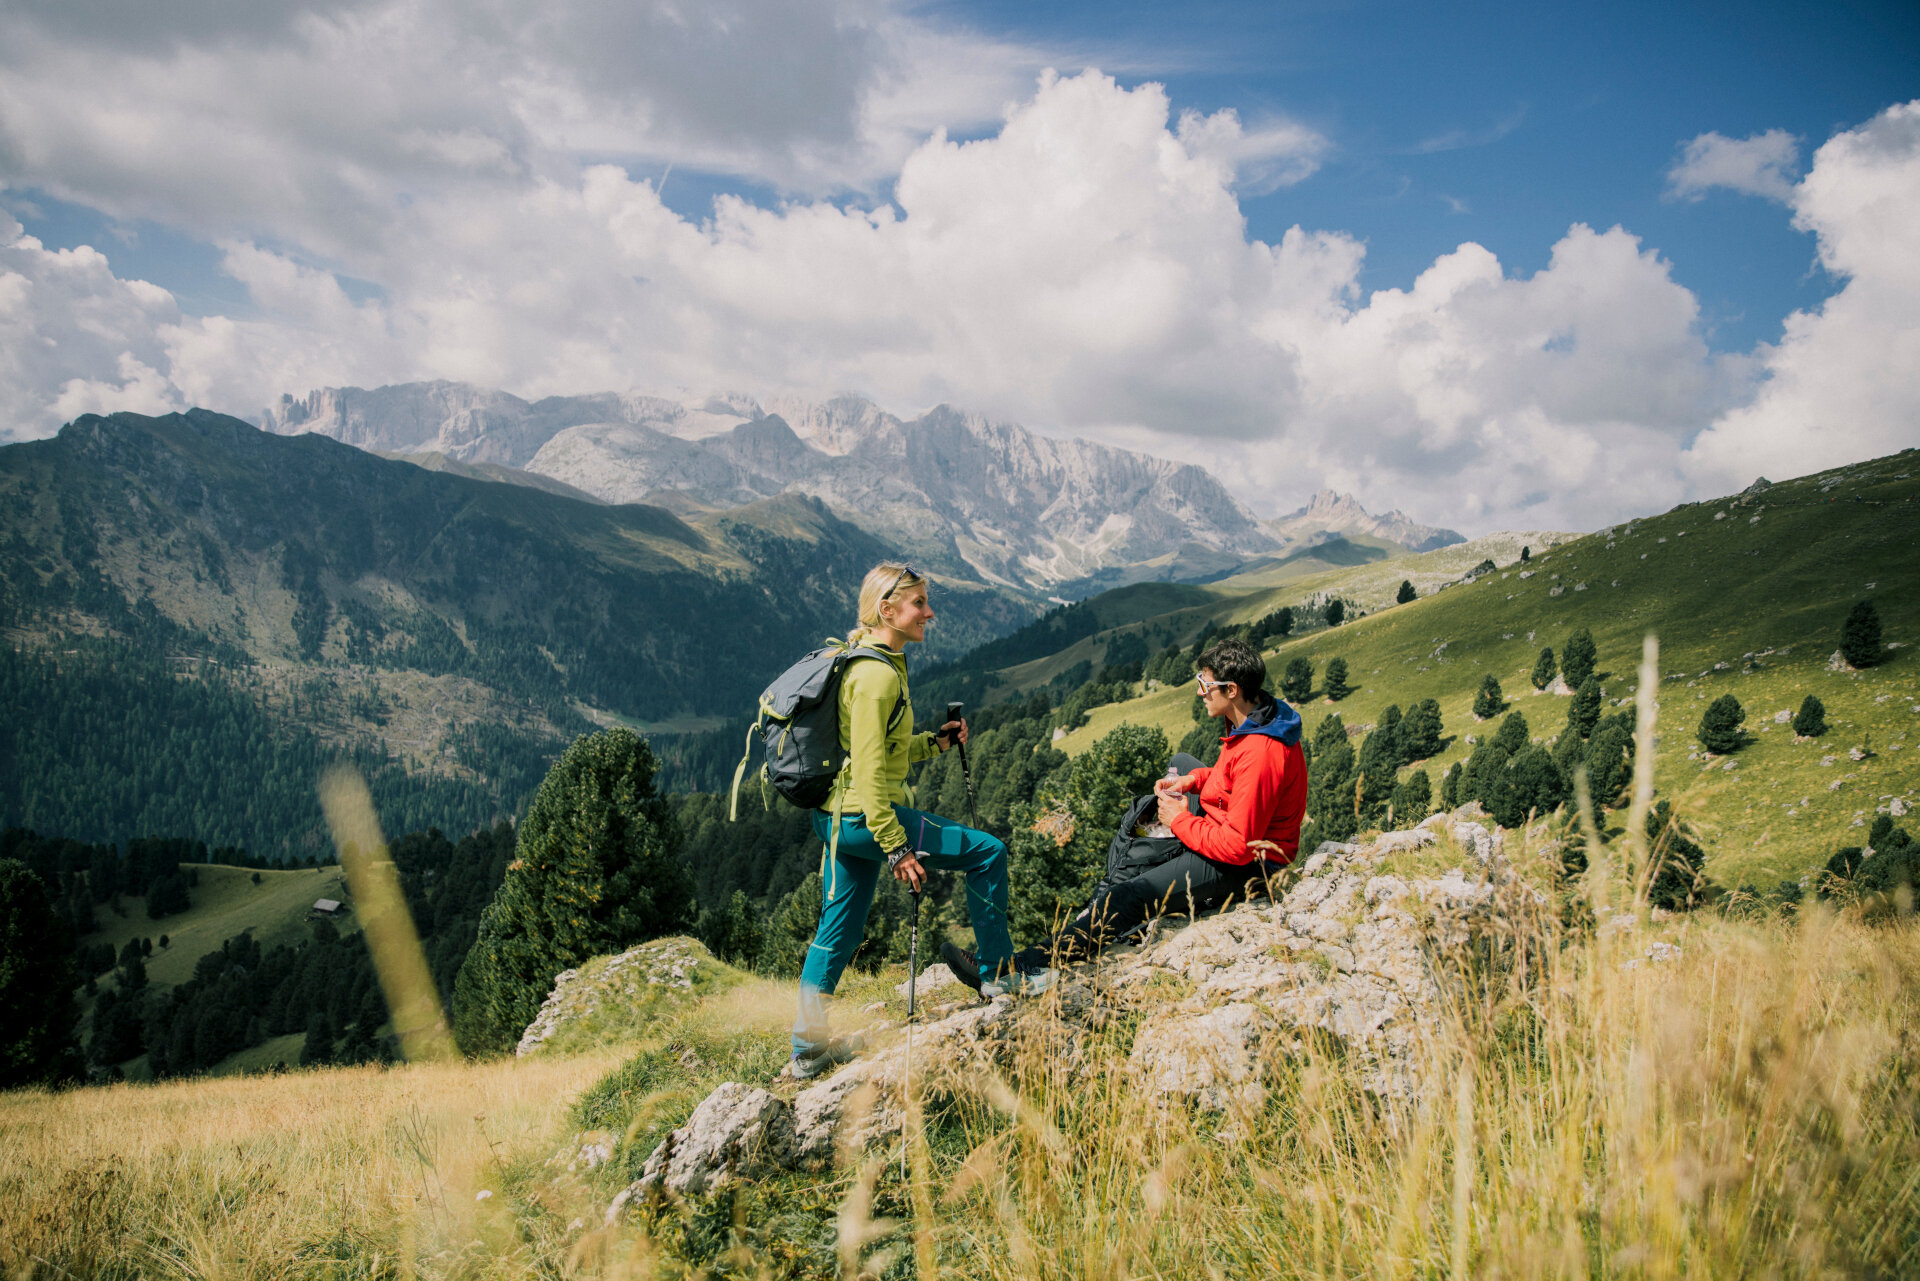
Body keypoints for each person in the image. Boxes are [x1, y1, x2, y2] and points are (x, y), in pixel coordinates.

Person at [791, 561, 1052, 1081]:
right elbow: (868, 771)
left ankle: (807, 1049)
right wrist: (896, 846)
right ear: (887, 610)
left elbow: (882, 750)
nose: (929, 612)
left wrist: (936, 742)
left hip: (840, 819)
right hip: (867, 816)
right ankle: (1000, 976)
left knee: (838, 929)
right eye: (918, 604)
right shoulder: (876, 676)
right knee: (987, 852)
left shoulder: (874, 662)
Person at [1009, 636, 1307, 969]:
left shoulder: (1261, 752)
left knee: (1130, 895)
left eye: (1204, 685)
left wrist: (1180, 819)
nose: (1199, 692)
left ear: (1232, 690)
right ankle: (1112, 897)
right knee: (1173, 774)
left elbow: (1238, 847)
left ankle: (1032, 965)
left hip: (1251, 866)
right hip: (1234, 829)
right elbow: (1232, 779)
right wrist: (1191, 781)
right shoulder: (1256, 716)